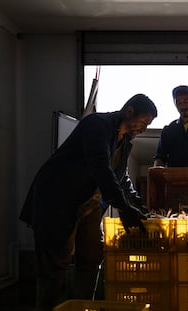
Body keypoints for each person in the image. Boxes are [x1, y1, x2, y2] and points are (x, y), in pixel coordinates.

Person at [19, 94, 158, 311]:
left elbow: (121, 179)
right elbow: (100, 168)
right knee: (54, 265)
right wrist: (123, 207)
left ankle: (82, 306)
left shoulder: (125, 142)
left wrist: (139, 208)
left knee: (91, 257)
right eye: (142, 122)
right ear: (129, 111)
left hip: (87, 205)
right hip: (57, 199)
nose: (143, 128)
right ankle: (49, 307)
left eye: (147, 125)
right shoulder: (97, 125)